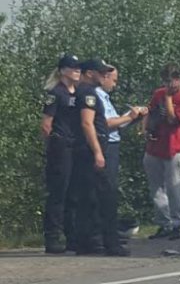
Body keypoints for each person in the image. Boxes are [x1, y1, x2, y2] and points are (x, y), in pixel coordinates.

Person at [72, 59, 129, 256]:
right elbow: (88, 124)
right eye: (100, 72)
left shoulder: (78, 92)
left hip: (81, 150)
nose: (104, 75)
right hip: (92, 149)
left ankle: (85, 241)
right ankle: (111, 243)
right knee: (107, 196)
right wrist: (98, 152)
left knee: (88, 197)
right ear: (89, 73)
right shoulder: (88, 93)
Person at [143, 64, 180, 241]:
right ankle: (163, 223)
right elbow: (150, 113)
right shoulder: (158, 93)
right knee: (156, 188)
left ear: (178, 79)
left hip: (174, 147)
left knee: (174, 189)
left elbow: (173, 119)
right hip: (155, 146)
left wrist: (168, 99)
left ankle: (176, 223)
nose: (168, 85)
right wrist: (145, 128)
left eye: (171, 81)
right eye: (165, 81)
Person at [41, 53, 82, 254]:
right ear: (63, 70)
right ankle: (52, 236)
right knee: (59, 191)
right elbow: (46, 124)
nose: (77, 70)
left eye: (78, 67)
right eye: (73, 67)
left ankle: (72, 235)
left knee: (74, 192)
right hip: (61, 145)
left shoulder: (80, 92)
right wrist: (53, 146)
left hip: (76, 146)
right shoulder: (55, 93)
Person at [95, 67, 147, 186]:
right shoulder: (98, 97)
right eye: (114, 81)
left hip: (111, 144)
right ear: (105, 77)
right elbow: (107, 123)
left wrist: (135, 116)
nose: (115, 85)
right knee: (106, 185)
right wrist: (130, 117)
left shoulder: (105, 98)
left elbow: (117, 122)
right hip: (106, 144)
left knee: (110, 183)